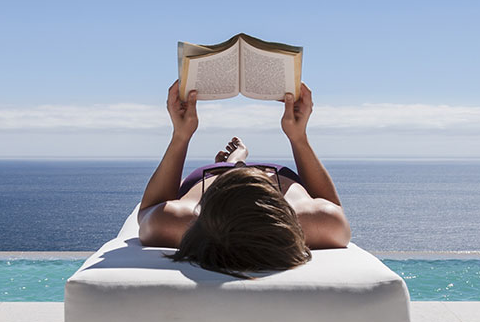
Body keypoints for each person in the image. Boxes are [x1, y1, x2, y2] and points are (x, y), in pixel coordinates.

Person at [137, 81, 351, 277]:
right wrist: (298, 137)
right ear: (278, 204)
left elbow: (148, 209)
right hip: (244, 176)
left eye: (232, 178)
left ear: (209, 206)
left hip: (214, 174)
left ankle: (233, 161)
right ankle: (237, 161)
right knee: (239, 170)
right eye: (263, 183)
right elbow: (330, 204)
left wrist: (181, 135)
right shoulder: (319, 222)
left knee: (233, 167)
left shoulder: (178, 220)